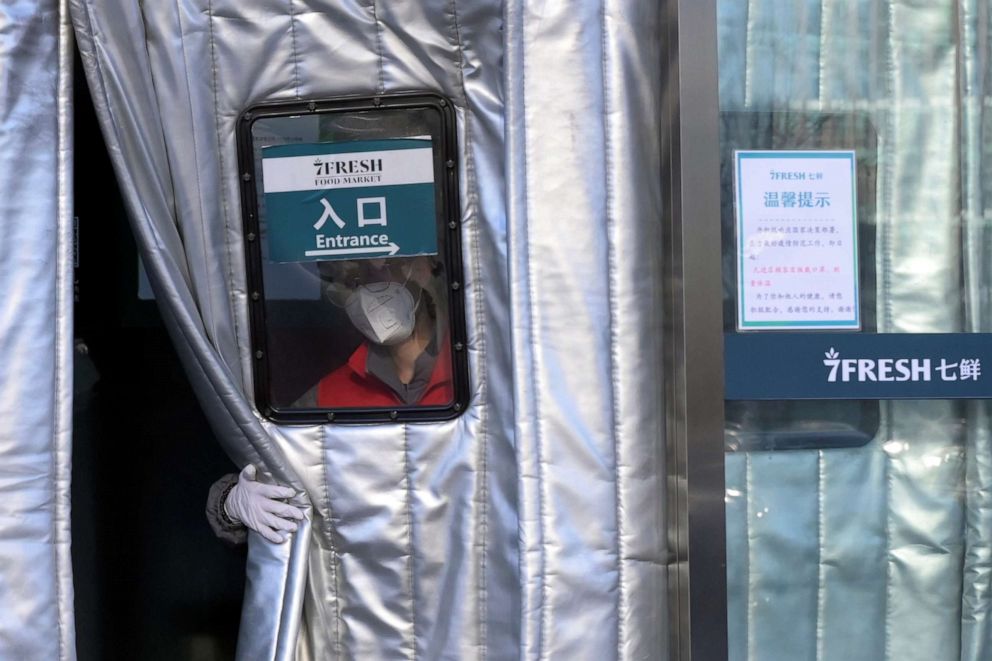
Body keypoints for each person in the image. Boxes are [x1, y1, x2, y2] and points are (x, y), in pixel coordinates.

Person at [207, 254, 451, 543]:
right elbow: (265, 474)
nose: (369, 291)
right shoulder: (327, 396)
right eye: (353, 281)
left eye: (385, 268)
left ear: (425, 267)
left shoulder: (478, 379)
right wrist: (229, 504)